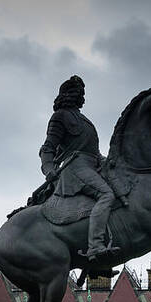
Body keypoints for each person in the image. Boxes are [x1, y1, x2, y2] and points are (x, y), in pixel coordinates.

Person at [39, 75, 120, 263]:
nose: (80, 95)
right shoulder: (59, 117)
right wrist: (48, 168)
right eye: (76, 91)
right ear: (67, 94)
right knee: (107, 195)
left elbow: (94, 152)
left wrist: (109, 162)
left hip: (92, 166)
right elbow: (48, 148)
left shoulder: (85, 121)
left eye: (81, 92)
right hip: (74, 168)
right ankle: (95, 246)